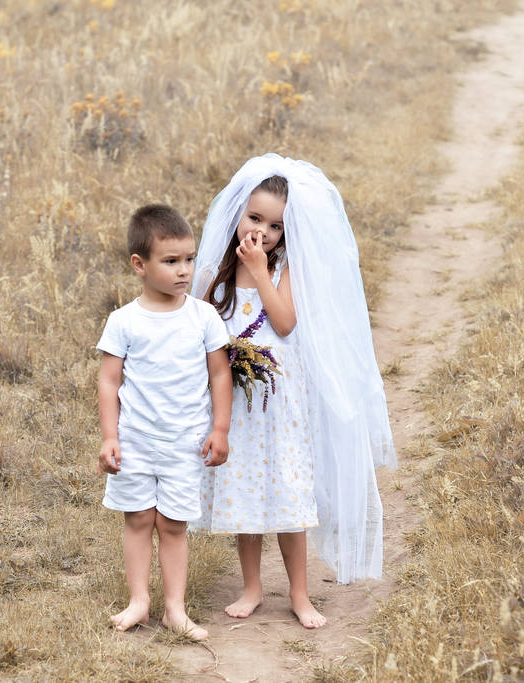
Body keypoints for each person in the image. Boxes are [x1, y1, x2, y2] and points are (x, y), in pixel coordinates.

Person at [191, 154, 396, 629]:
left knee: (287, 494)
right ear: (238, 214)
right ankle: (252, 587)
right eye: (254, 218)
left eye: (275, 227)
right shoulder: (216, 273)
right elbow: (200, 325)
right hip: (235, 402)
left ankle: (300, 594)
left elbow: (284, 323)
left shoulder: (283, 270)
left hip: (279, 400)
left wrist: (261, 270)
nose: (262, 231)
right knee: (243, 493)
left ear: (286, 234)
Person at [97, 204, 233, 641]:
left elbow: (219, 374)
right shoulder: (124, 321)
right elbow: (108, 381)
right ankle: (140, 600)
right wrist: (109, 437)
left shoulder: (202, 316)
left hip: (184, 441)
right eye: (170, 261)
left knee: (173, 524)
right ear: (140, 265)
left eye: (189, 259)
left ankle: (176, 607)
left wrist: (221, 429)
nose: (183, 271)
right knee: (137, 518)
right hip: (135, 440)